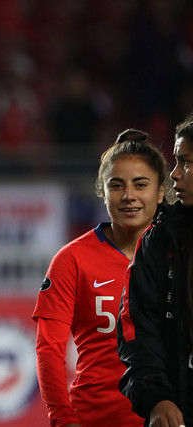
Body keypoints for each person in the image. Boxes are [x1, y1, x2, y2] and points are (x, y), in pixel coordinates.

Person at [33, 128, 171, 427]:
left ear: (160, 191)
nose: (129, 196)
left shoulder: (180, 255)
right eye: (117, 185)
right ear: (102, 191)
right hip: (93, 418)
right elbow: (49, 349)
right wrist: (62, 418)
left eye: (141, 184)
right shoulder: (71, 259)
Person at [118, 113, 193, 426]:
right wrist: (157, 398)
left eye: (185, 162)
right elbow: (139, 328)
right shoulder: (160, 240)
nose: (174, 174)